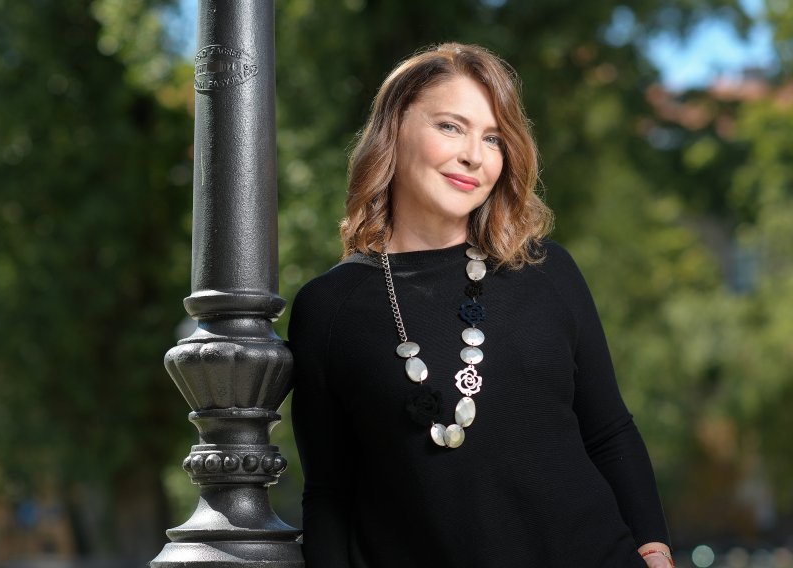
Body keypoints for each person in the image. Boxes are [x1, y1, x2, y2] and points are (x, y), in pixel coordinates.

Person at [289, 42, 674, 568]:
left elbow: (609, 431)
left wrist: (654, 550)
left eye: (493, 138)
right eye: (451, 127)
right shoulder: (329, 308)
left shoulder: (546, 270)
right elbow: (330, 493)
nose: (474, 155)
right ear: (394, 129)